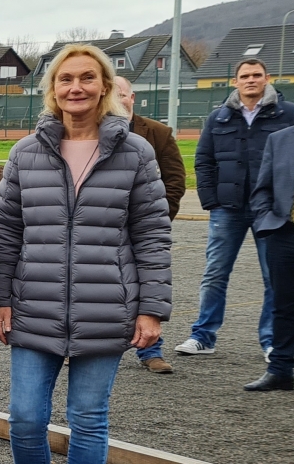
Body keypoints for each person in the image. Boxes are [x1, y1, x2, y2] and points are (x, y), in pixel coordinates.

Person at [0, 44, 171, 464]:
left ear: (105, 85)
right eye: (65, 79)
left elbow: (152, 235)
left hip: (106, 308)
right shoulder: (25, 153)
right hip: (34, 306)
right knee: (26, 418)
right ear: (53, 88)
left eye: (87, 77)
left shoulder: (136, 153)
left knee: (88, 418)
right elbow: (7, 233)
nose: (76, 87)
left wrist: (151, 309)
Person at [178, 58, 294, 359]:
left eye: (257, 75)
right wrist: (211, 199)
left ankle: (271, 341)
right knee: (215, 272)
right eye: (244, 75)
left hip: (271, 209)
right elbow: (204, 160)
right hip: (227, 209)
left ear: (268, 78)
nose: (251, 80)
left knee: (274, 276)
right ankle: (203, 336)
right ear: (235, 81)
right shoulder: (219, 117)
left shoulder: (289, 114)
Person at [243, 75, 294, 391]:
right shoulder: (282, 139)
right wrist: (265, 222)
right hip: (287, 236)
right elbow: (263, 187)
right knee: (284, 307)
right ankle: (281, 371)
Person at [113, 76, 186, 374]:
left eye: (121, 94)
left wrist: (154, 219)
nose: (116, 100)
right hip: (104, 229)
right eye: (111, 94)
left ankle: (150, 351)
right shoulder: (85, 134)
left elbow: (174, 181)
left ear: (132, 97)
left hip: (141, 228)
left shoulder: (158, 133)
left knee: (147, 288)